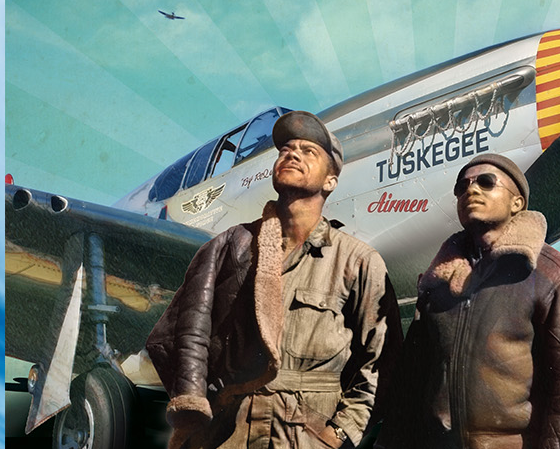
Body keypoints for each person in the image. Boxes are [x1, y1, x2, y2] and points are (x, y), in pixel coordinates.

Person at [146, 111, 400, 449]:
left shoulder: (358, 261)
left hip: (308, 436)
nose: (292, 153)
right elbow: (187, 332)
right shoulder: (231, 245)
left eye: (309, 151)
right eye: (286, 149)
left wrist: (339, 433)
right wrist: (196, 405)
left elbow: (381, 363)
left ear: (330, 181)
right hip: (230, 433)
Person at [381, 153, 560, 449]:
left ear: (517, 203)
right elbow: (410, 384)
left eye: (486, 182)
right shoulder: (437, 281)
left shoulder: (555, 275)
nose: (471, 190)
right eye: (462, 186)